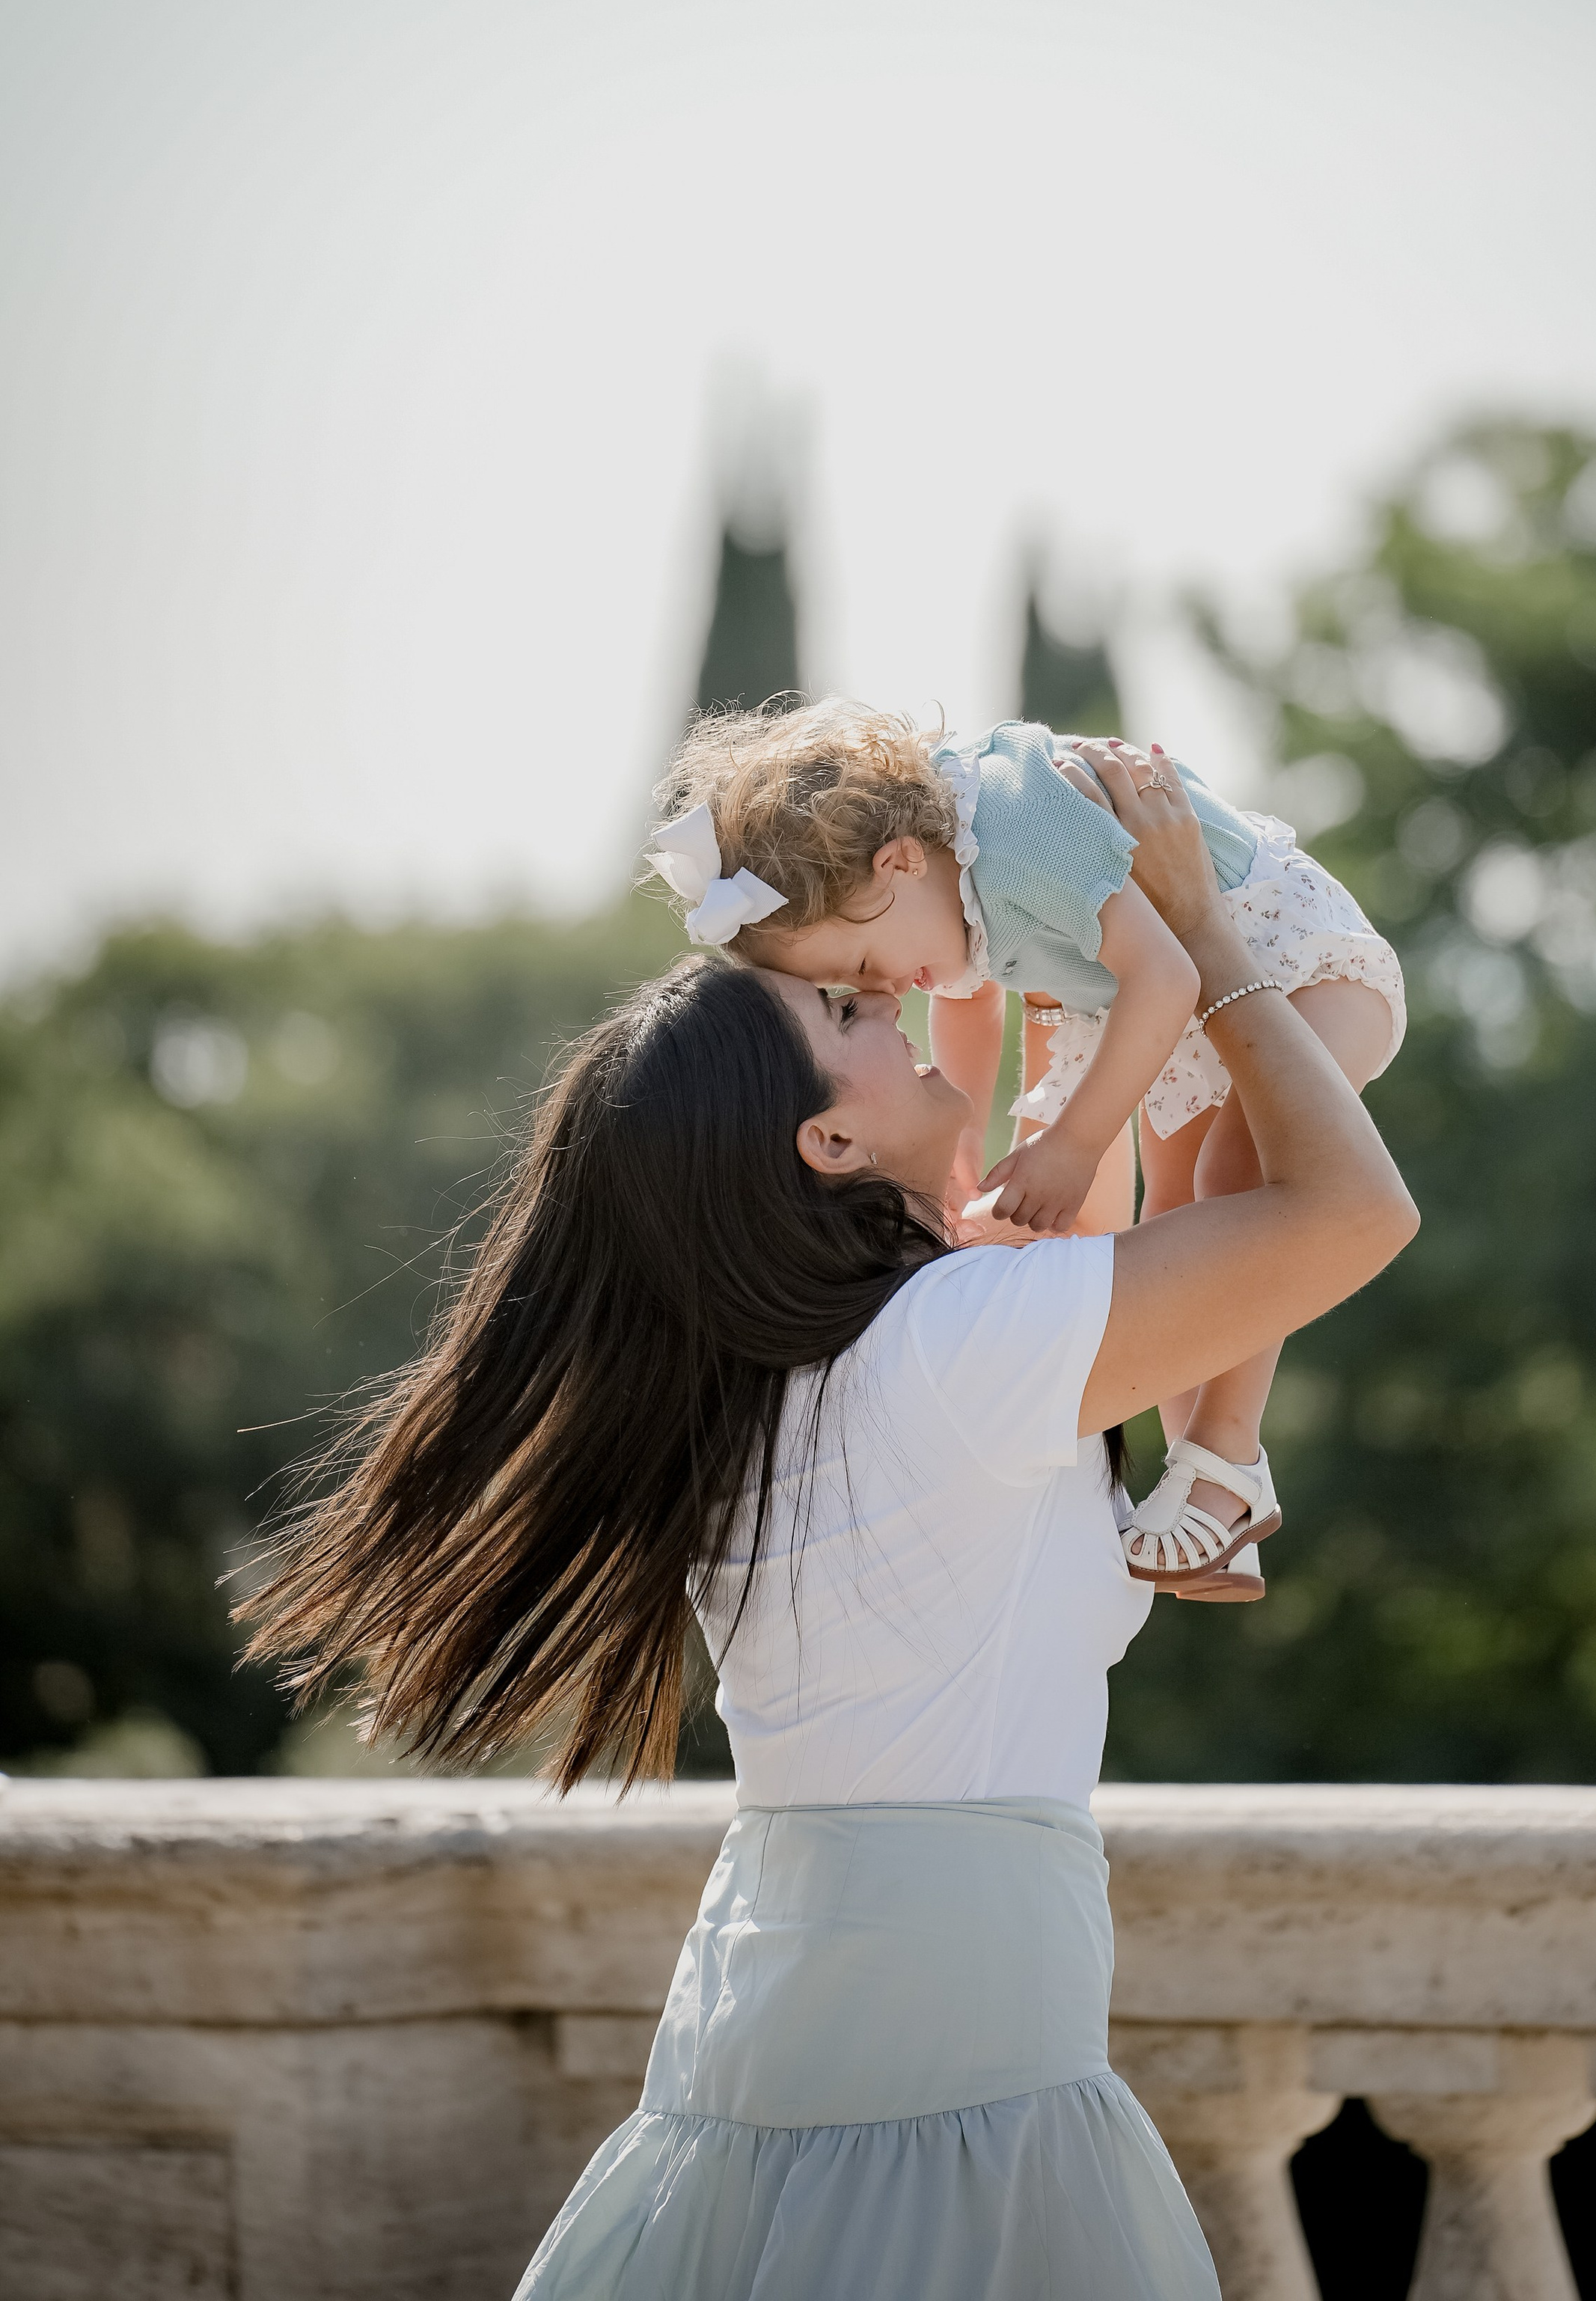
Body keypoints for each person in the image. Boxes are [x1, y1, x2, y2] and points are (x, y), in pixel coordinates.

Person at [239, 747, 1418, 2301]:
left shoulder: (790, 1375)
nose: (903, 998)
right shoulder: (952, 1348)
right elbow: (1351, 1215)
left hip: (773, 2051)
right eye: (850, 1013)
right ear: (825, 1145)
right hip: (949, 2078)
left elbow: (1137, 1217)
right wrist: (1203, 942)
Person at [652, 701, 1404, 1595]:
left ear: (896, 862)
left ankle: (1224, 1458)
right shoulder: (929, 888)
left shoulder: (1015, 826)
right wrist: (961, 1149)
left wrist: (1077, 1145)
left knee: (1227, 1181)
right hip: (1163, 1009)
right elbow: (968, 1002)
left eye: (857, 973)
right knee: (1175, 1219)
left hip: (1286, 959)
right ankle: (1201, 1503)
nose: (886, 993)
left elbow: (1167, 972)